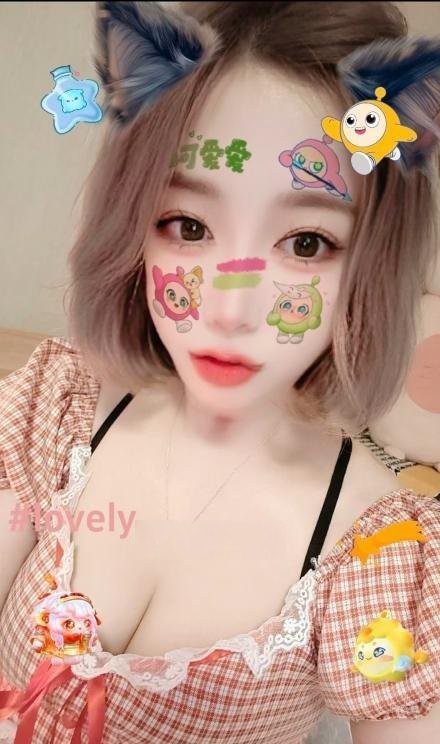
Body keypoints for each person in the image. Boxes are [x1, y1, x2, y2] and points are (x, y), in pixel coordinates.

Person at [1, 2, 440, 743]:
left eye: (306, 243)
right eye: (189, 226)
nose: (231, 311)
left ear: (374, 260)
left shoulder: (379, 553)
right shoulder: (58, 409)